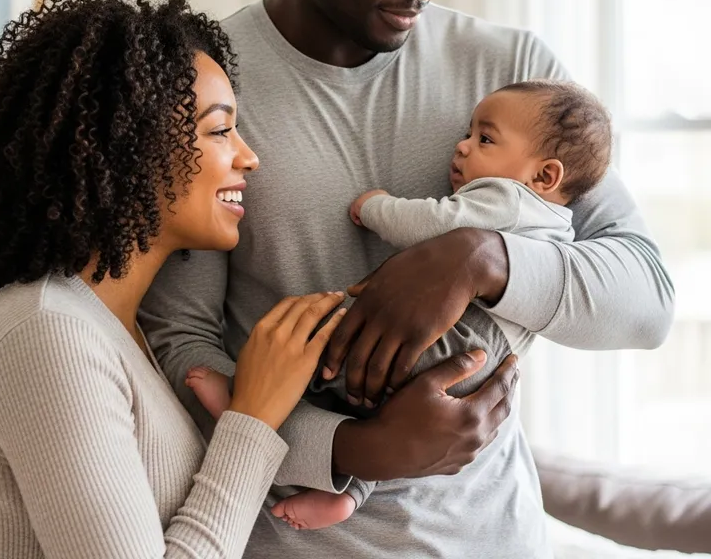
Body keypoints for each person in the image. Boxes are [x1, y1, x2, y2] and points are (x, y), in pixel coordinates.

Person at [140, 0, 674, 558]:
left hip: (500, 540)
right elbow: (182, 345)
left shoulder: (514, 76)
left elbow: (645, 297)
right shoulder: (208, 85)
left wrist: (478, 259)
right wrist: (356, 448)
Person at [0, 0, 351, 559]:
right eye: (220, 129)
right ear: (128, 143)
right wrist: (253, 417)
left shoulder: (110, 325)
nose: (248, 156)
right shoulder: (47, 333)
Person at [186, 79, 614, 529]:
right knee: (388, 421)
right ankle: (349, 495)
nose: (463, 146)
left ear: (544, 176)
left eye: (484, 139)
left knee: (325, 335)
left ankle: (244, 399)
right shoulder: (559, 230)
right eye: (469, 133)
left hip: (455, 339)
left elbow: (434, 222)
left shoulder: (508, 200)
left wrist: (376, 207)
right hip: (480, 366)